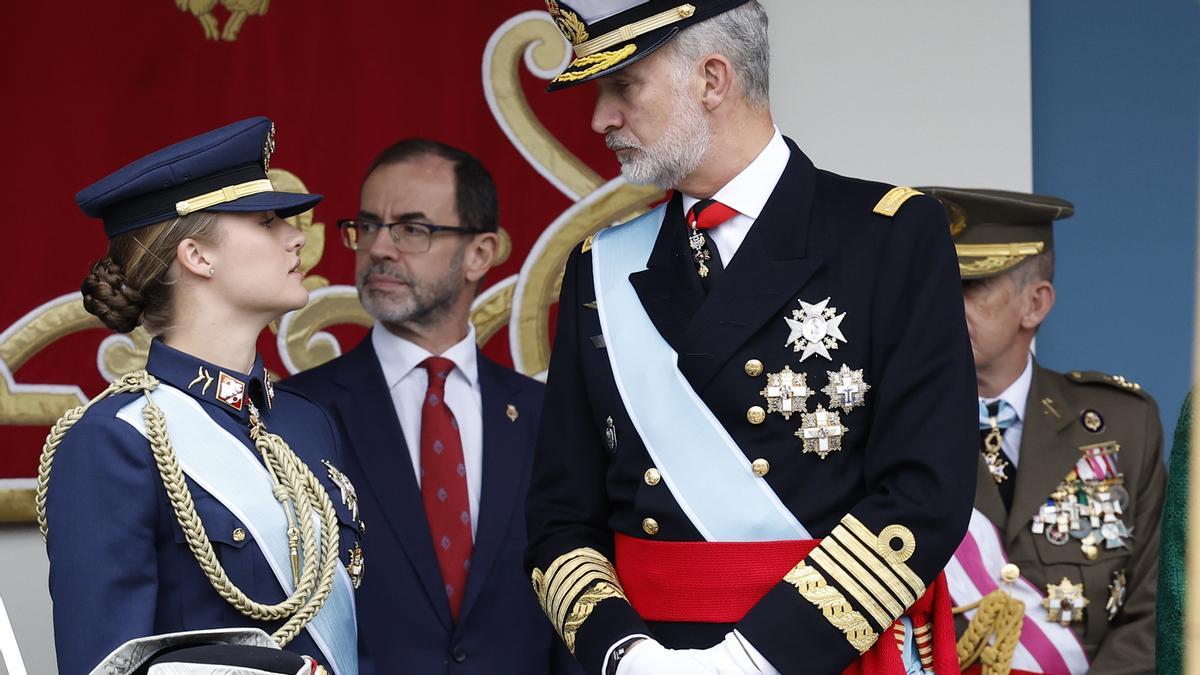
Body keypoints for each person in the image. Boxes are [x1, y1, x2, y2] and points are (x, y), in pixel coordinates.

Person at [524, 2, 979, 674]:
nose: (601, 119)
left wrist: (751, 659)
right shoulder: (599, 265)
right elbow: (560, 517)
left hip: (816, 652)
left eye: (623, 87)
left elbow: (925, 495)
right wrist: (622, 651)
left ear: (713, 80)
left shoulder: (888, 237)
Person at [38, 117, 364, 675]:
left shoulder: (307, 422)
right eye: (266, 221)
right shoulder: (114, 441)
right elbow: (106, 666)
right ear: (197, 257)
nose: (296, 235)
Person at [282, 138, 580, 674]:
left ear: (480, 253)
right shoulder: (298, 414)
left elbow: (574, 606)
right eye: (368, 226)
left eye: (412, 230)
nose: (379, 248)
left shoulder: (545, 416)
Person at [923, 187, 1165, 674]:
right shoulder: (888, 428)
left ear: (1035, 304)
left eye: (972, 286)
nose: (945, 303)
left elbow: (1154, 609)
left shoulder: (1123, 423)